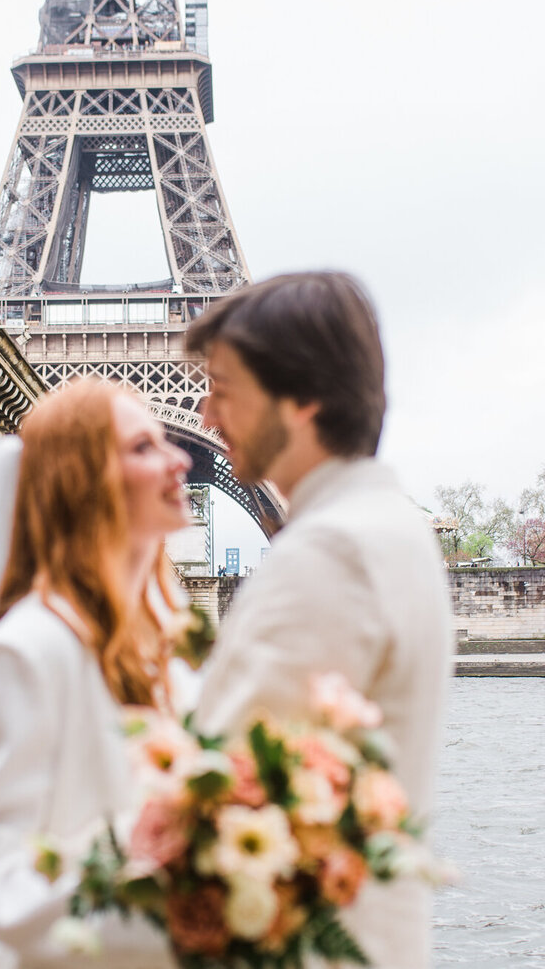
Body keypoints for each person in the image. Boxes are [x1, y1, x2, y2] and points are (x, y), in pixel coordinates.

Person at [185, 271, 452, 969]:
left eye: (224, 388)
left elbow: (218, 802)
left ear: (303, 399)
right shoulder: (390, 530)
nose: (205, 416)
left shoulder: (331, 552)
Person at [0, 378, 190, 968]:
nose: (180, 459)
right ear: (84, 479)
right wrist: (156, 914)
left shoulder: (159, 647)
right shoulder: (27, 652)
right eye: (144, 447)